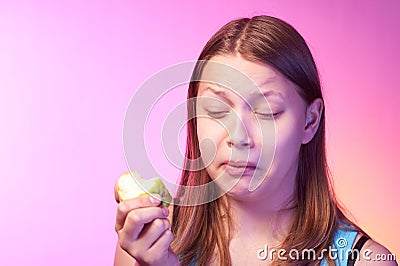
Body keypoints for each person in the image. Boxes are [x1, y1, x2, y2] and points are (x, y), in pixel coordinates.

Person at [114, 15, 396, 265]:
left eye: (266, 112)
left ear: (310, 121)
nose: (238, 137)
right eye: (217, 111)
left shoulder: (367, 261)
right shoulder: (149, 239)